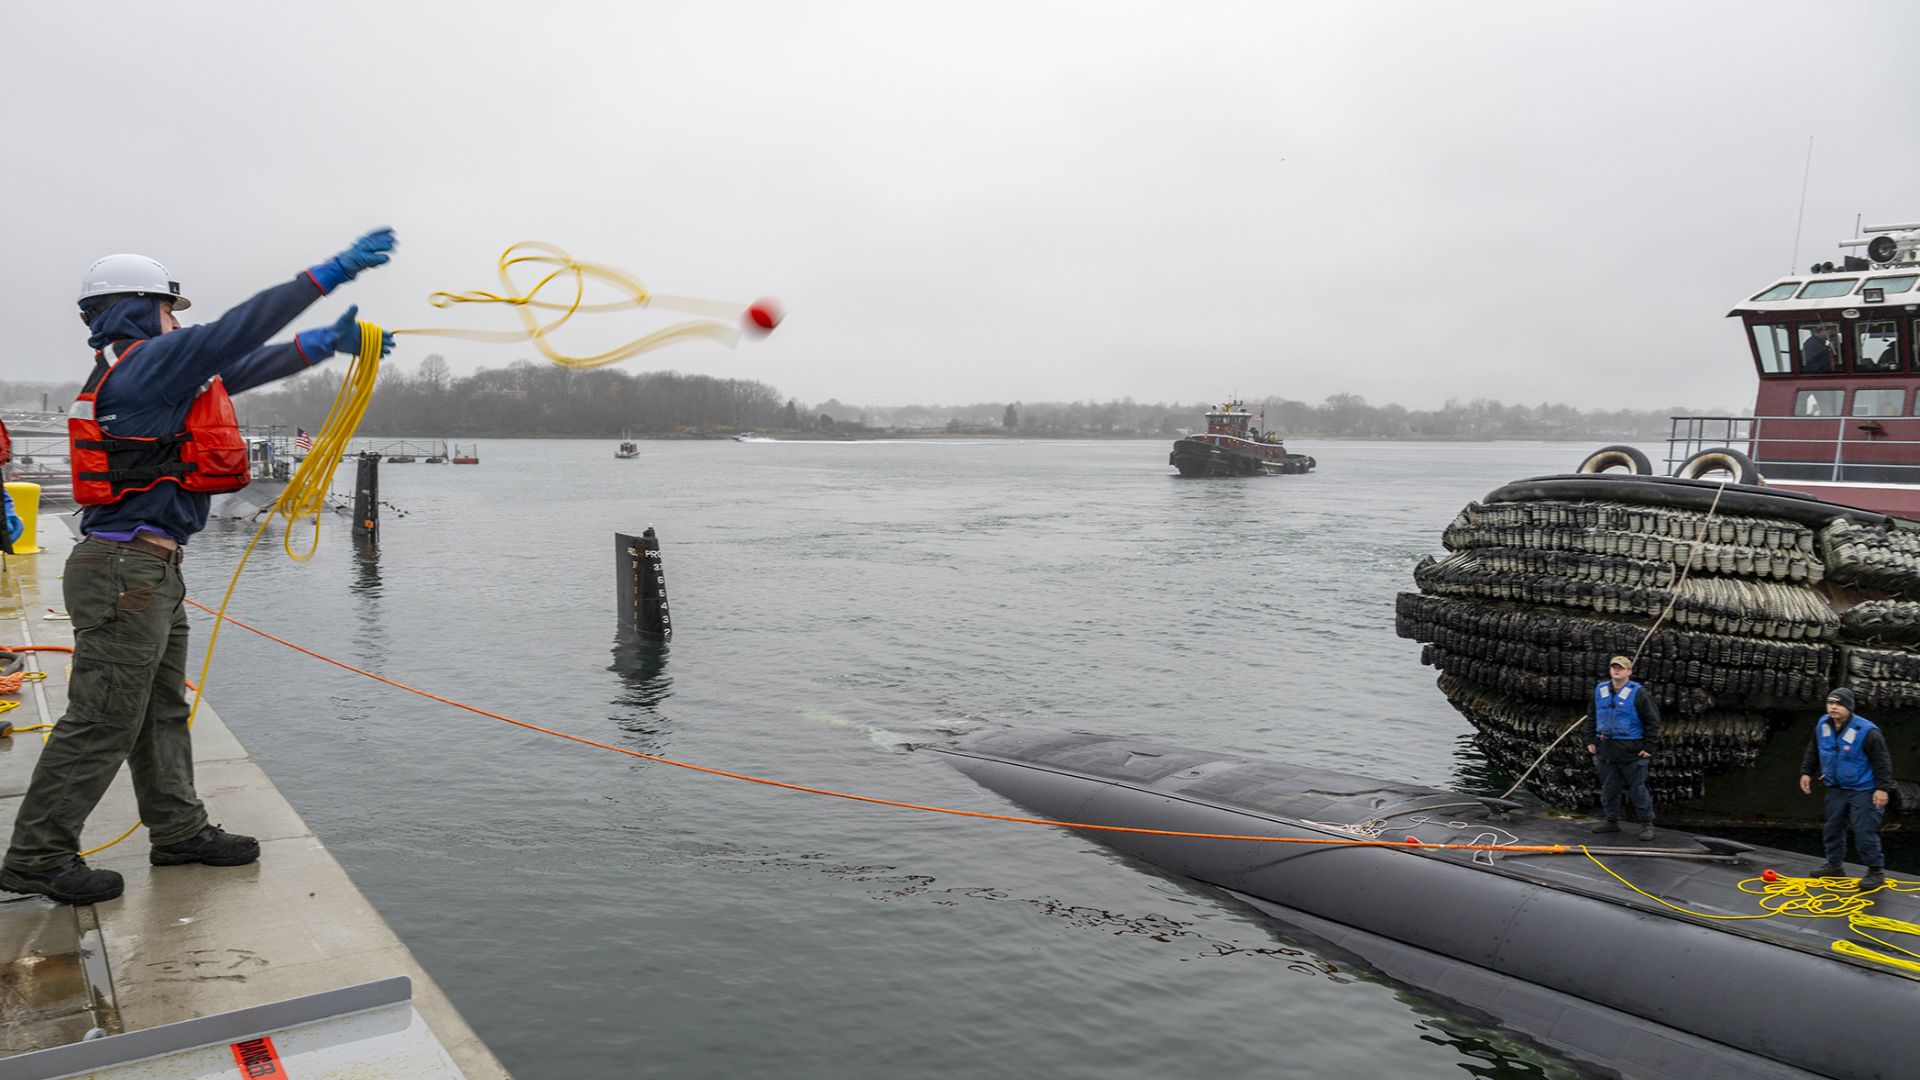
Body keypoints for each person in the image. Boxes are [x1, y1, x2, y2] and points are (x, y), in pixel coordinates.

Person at [0, 229, 398, 906]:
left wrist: (325, 346)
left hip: (148, 569)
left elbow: (239, 367)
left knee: (159, 710)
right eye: (168, 308)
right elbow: (232, 335)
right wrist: (330, 274)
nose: (176, 320)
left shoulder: (152, 374)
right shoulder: (145, 367)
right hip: (126, 573)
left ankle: (177, 830)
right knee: (103, 718)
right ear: (135, 308)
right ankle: (37, 855)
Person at [1798, 687, 1893, 888]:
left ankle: (1875, 871)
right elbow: (1814, 750)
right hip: (1836, 788)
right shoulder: (1823, 724)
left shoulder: (1868, 732)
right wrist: (1807, 772)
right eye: (1830, 703)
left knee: (1864, 831)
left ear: (1849, 707)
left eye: (1838, 704)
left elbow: (1882, 762)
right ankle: (1834, 865)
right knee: (1832, 828)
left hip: (1863, 789)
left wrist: (1882, 788)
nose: (1833, 707)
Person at [1584, 654, 1660, 840]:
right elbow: (1592, 716)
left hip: (1631, 749)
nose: (1617, 670)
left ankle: (1646, 824)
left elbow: (1652, 721)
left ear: (1629, 672)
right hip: (1606, 748)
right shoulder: (1600, 690)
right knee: (1609, 788)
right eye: (1614, 667)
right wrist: (1590, 740)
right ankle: (1611, 820)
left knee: (1637, 789)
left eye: (1621, 667)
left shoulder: (1639, 693)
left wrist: (1649, 747)